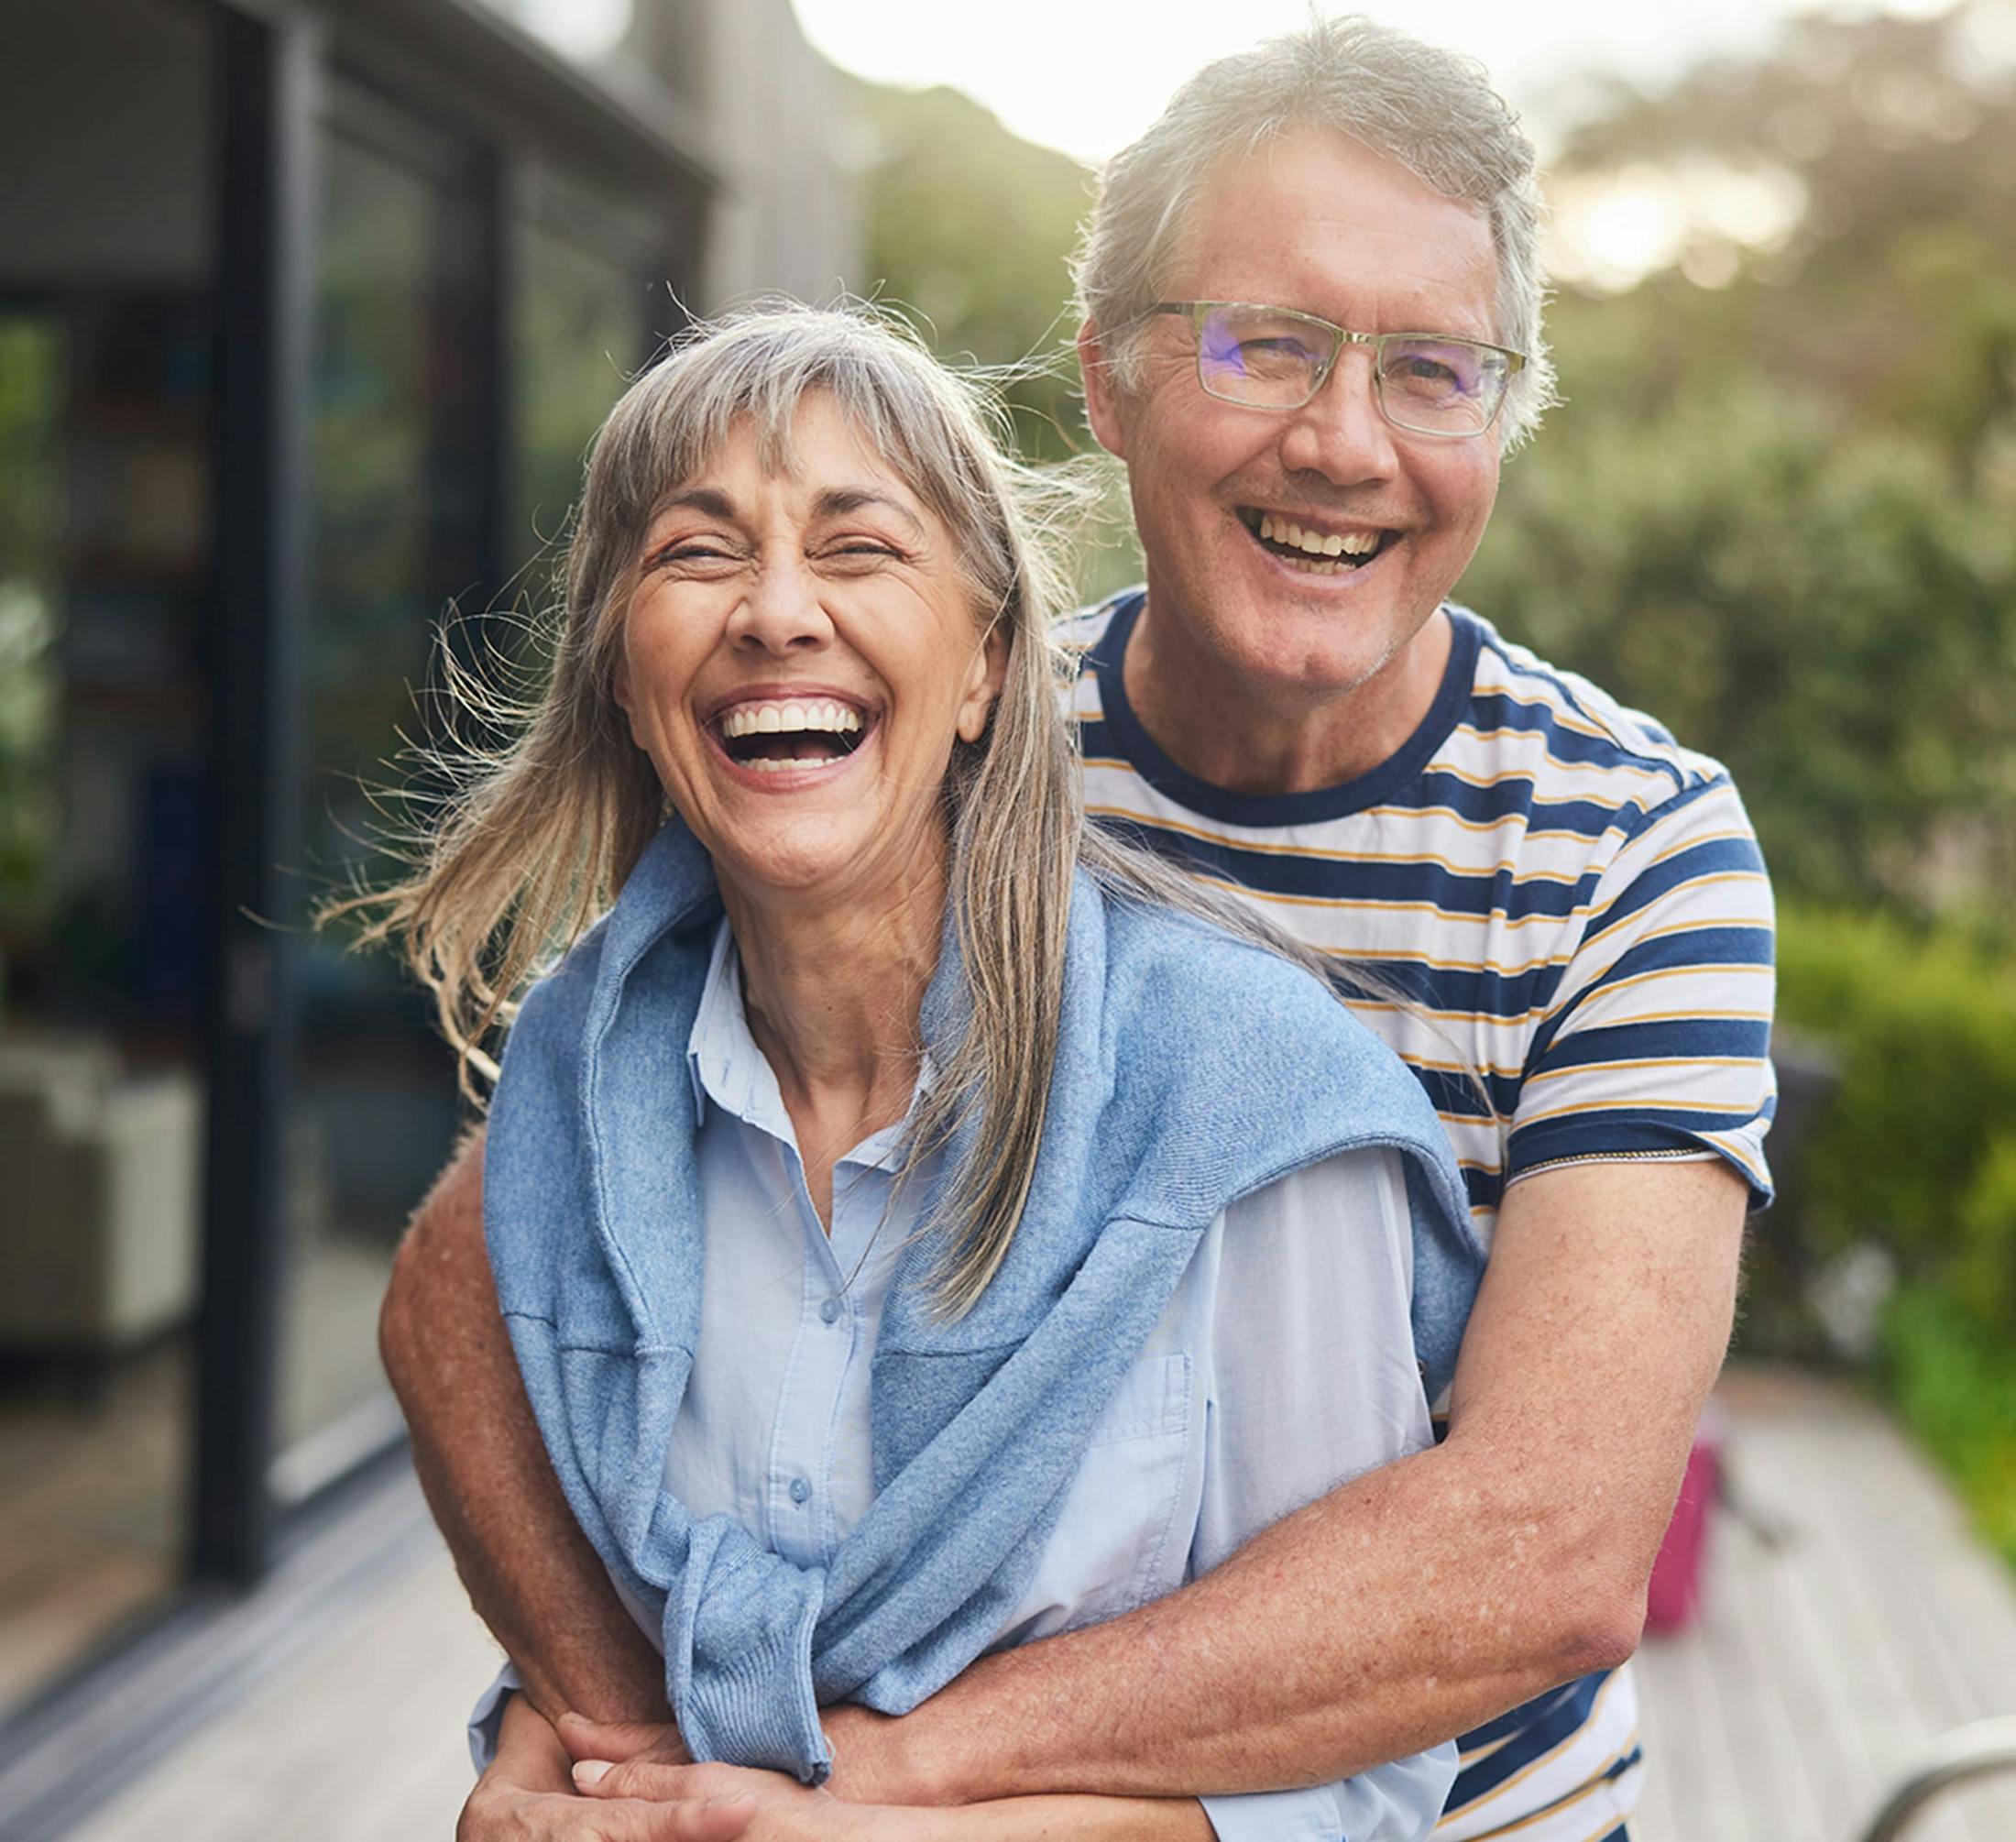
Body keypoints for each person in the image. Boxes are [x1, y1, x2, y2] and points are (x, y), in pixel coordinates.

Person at [383, 18, 1775, 1842]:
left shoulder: (1629, 849)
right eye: (1262, 345)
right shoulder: (911, 729)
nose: (1341, 441)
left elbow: (1545, 1546)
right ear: (1107, 382)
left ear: (1495, 419)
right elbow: (495, 1264)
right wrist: (602, 1710)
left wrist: (871, 1780)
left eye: (1430, 370)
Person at [359, 300, 1487, 1840]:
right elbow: (630, 1626)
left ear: (985, 669)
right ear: (627, 682)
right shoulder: (586, 1087)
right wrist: (546, 1759)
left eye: (857, 547)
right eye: (697, 552)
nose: (773, 611)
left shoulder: (1239, 1105)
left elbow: (1356, 1786)